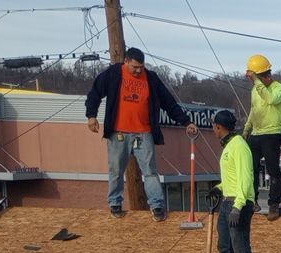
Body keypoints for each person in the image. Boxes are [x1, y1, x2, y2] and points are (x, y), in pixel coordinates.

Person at [84, 47, 197, 221]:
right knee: (116, 169)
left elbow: (169, 102)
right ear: (126, 61)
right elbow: (95, 93)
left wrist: (186, 122)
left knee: (150, 170)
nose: (138, 71)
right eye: (135, 67)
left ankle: (157, 205)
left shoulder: (151, 78)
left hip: (143, 134)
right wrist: (91, 116)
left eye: (141, 67)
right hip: (119, 133)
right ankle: (115, 203)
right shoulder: (113, 74)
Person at [208, 110, 261, 253]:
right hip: (227, 201)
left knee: (241, 249)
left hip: (239, 204)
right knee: (224, 247)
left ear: (218, 127)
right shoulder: (229, 146)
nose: (213, 130)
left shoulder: (239, 146)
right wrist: (219, 188)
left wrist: (238, 206)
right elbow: (232, 179)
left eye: (214, 126)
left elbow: (246, 178)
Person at [242, 54, 281, 222]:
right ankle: (252, 200)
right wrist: (247, 128)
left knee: (273, 170)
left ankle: (274, 205)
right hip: (256, 133)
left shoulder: (278, 89)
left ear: (264, 75)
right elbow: (254, 110)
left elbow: (270, 99)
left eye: (255, 78)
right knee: (250, 168)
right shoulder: (255, 90)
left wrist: (257, 82)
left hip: (271, 134)